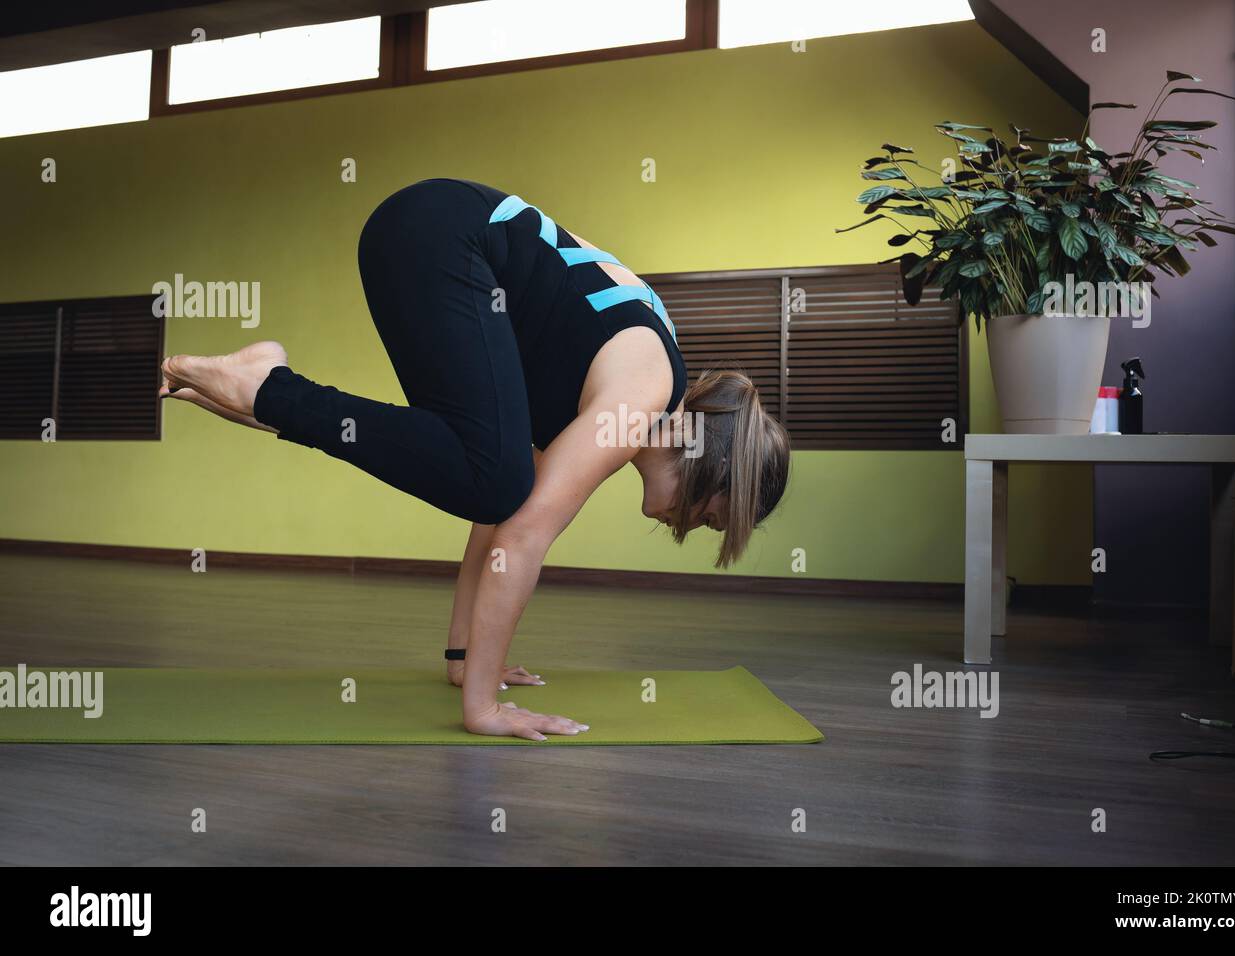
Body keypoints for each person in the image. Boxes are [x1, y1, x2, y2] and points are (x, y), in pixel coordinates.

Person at [160, 178, 790, 740]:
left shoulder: (632, 397)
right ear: (714, 466)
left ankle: (259, 388)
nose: (686, 529)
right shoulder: (643, 395)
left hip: (425, 232)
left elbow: (497, 523)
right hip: (439, 236)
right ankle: (267, 385)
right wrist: (484, 708)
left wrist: (465, 661)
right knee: (498, 482)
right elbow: (521, 538)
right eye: (711, 518)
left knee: (494, 477)